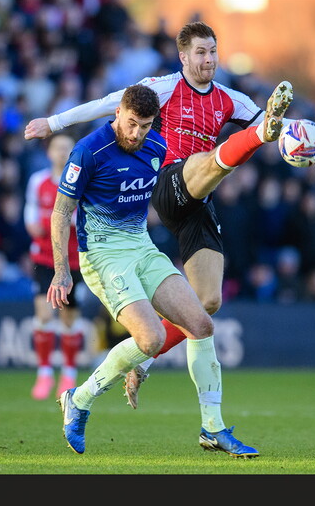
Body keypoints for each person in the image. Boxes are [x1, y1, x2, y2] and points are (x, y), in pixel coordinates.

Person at [26, 21, 315, 409]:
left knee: (207, 302)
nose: (208, 59)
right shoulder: (163, 87)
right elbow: (108, 103)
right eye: (200, 52)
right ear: (183, 56)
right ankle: (251, 140)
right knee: (216, 157)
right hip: (168, 182)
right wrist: (53, 123)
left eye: (213, 51)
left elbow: (290, 129)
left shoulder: (230, 98)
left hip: (199, 198)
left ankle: (143, 361)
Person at [49, 84, 265, 458]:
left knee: (201, 324)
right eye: (131, 124)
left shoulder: (156, 147)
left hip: (142, 247)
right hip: (103, 255)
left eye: (145, 126)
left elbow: (162, 199)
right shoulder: (88, 151)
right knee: (148, 340)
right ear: (118, 112)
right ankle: (79, 398)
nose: (136, 134)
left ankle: (213, 428)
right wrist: (60, 271)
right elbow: (60, 212)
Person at [23, 133, 93, 400]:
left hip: (73, 260)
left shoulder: (81, 182)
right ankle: (43, 373)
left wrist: (63, 222)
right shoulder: (38, 181)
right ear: (49, 152)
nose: (62, 153)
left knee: (68, 319)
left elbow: (84, 216)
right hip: (43, 257)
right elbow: (30, 211)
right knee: (43, 314)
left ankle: (68, 372)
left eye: (67, 148)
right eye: (57, 148)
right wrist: (32, 224)